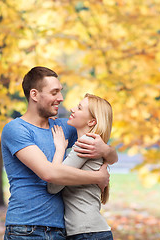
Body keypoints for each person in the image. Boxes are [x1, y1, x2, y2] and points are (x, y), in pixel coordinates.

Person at [1, 66, 118, 240]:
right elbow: (48, 173)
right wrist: (97, 178)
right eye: (54, 92)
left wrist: (106, 150)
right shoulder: (16, 129)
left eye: (60, 92)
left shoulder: (62, 127)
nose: (61, 98)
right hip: (25, 228)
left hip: (61, 231)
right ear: (34, 95)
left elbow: (99, 141)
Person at [47, 93, 114, 240]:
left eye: (79, 108)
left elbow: (53, 186)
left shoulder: (86, 144)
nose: (72, 109)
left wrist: (60, 149)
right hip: (91, 231)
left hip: (87, 233)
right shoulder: (95, 143)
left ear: (91, 122)